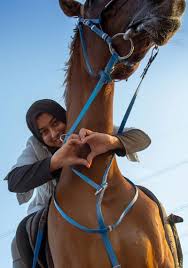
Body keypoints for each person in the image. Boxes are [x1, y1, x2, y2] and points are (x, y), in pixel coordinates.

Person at [5, 99, 151, 268]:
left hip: (103, 196)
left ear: (66, 118)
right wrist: (54, 162)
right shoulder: (34, 145)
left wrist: (112, 141)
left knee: (149, 199)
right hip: (50, 209)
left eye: (56, 123)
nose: (53, 134)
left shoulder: (85, 126)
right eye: (44, 131)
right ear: (38, 136)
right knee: (19, 239)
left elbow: (143, 138)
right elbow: (15, 181)